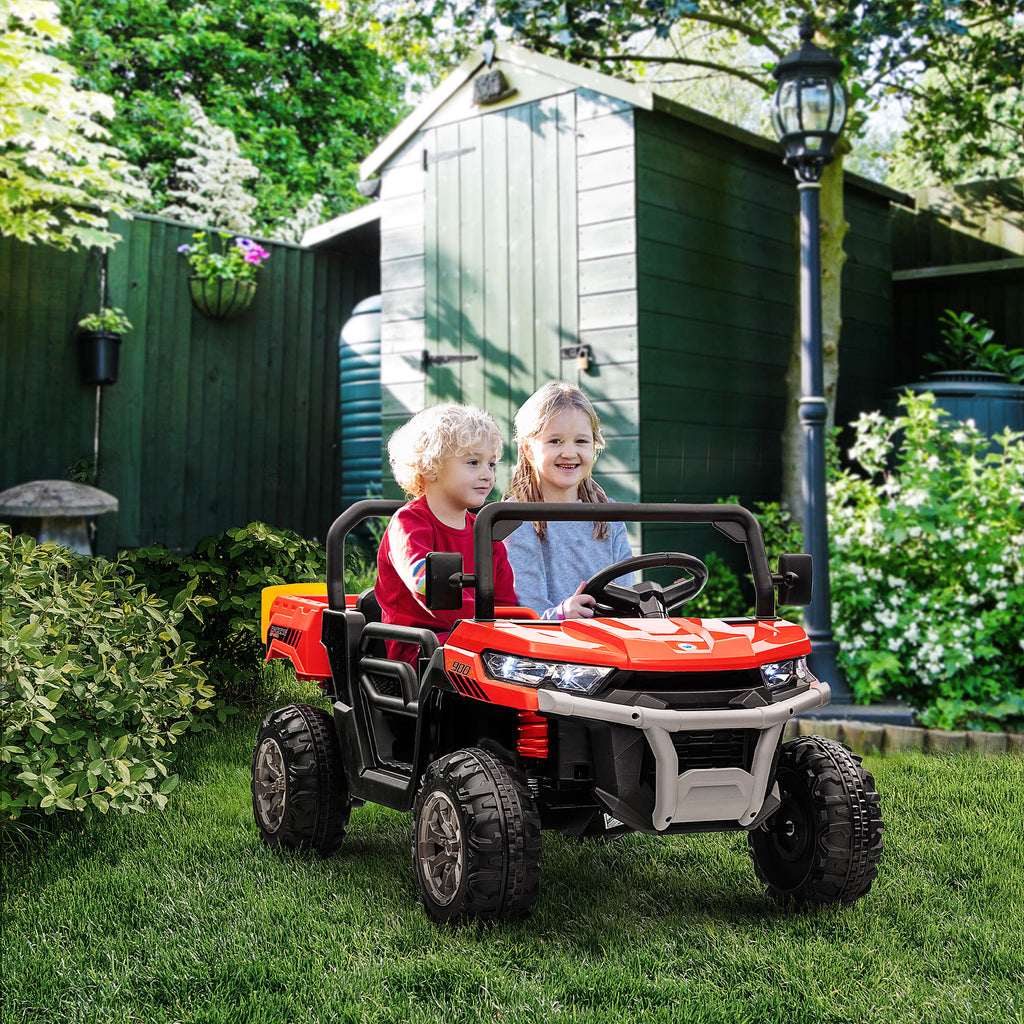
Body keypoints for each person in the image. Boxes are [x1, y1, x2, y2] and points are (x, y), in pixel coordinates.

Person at [375, 402, 517, 664]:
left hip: (480, 638)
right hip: (420, 650)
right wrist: (486, 621)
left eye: (492, 465)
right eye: (474, 462)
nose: (487, 474)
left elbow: (507, 602)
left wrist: (508, 623)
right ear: (431, 466)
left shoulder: (486, 533)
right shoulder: (409, 523)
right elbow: (426, 588)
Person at [503, 381, 633, 620]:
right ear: (528, 449)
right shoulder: (516, 520)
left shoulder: (609, 515)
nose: (569, 453)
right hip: (551, 650)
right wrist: (562, 614)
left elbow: (626, 593)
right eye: (555, 441)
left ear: (594, 446)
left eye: (581, 441)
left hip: (609, 642)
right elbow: (527, 612)